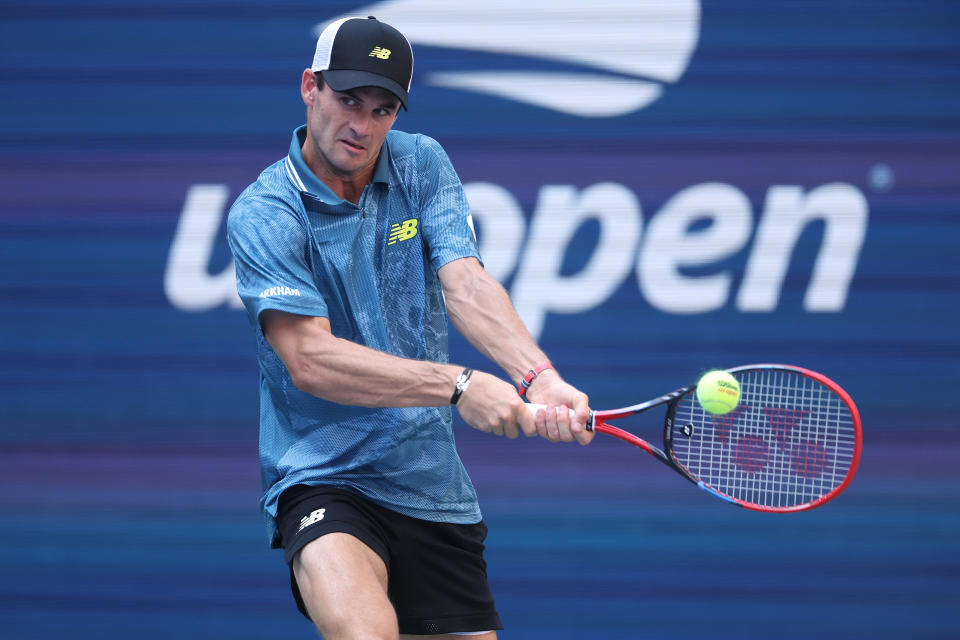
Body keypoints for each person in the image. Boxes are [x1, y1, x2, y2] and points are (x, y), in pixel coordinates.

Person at [227, 15, 592, 640]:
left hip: (430, 484)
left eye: (382, 108)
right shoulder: (265, 214)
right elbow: (310, 360)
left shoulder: (421, 163)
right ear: (310, 87)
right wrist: (458, 384)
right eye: (348, 101)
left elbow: (467, 284)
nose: (362, 126)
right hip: (323, 477)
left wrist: (540, 377)